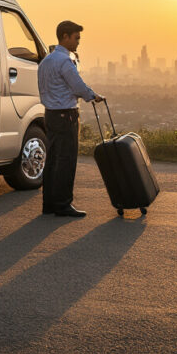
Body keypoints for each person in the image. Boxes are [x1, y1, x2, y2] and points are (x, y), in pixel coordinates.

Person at [37, 20, 104, 218]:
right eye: (76, 38)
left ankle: (49, 203)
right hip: (66, 115)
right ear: (65, 36)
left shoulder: (46, 61)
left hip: (50, 114)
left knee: (53, 160)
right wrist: (94, 96)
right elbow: (78, 86)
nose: (78, 42)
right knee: (66, 161)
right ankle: (63, 204)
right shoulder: (65, 61)